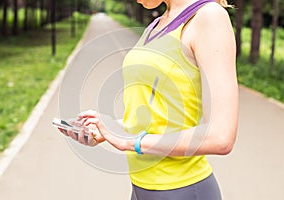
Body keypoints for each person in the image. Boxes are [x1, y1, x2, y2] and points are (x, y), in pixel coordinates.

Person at [60, 0, 238, 199]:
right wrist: (108, 129)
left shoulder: (208, 17)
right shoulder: (157, 24)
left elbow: (221, 137)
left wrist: (131, 142)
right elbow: (157, 121)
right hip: (140, 189)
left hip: (182, 189)